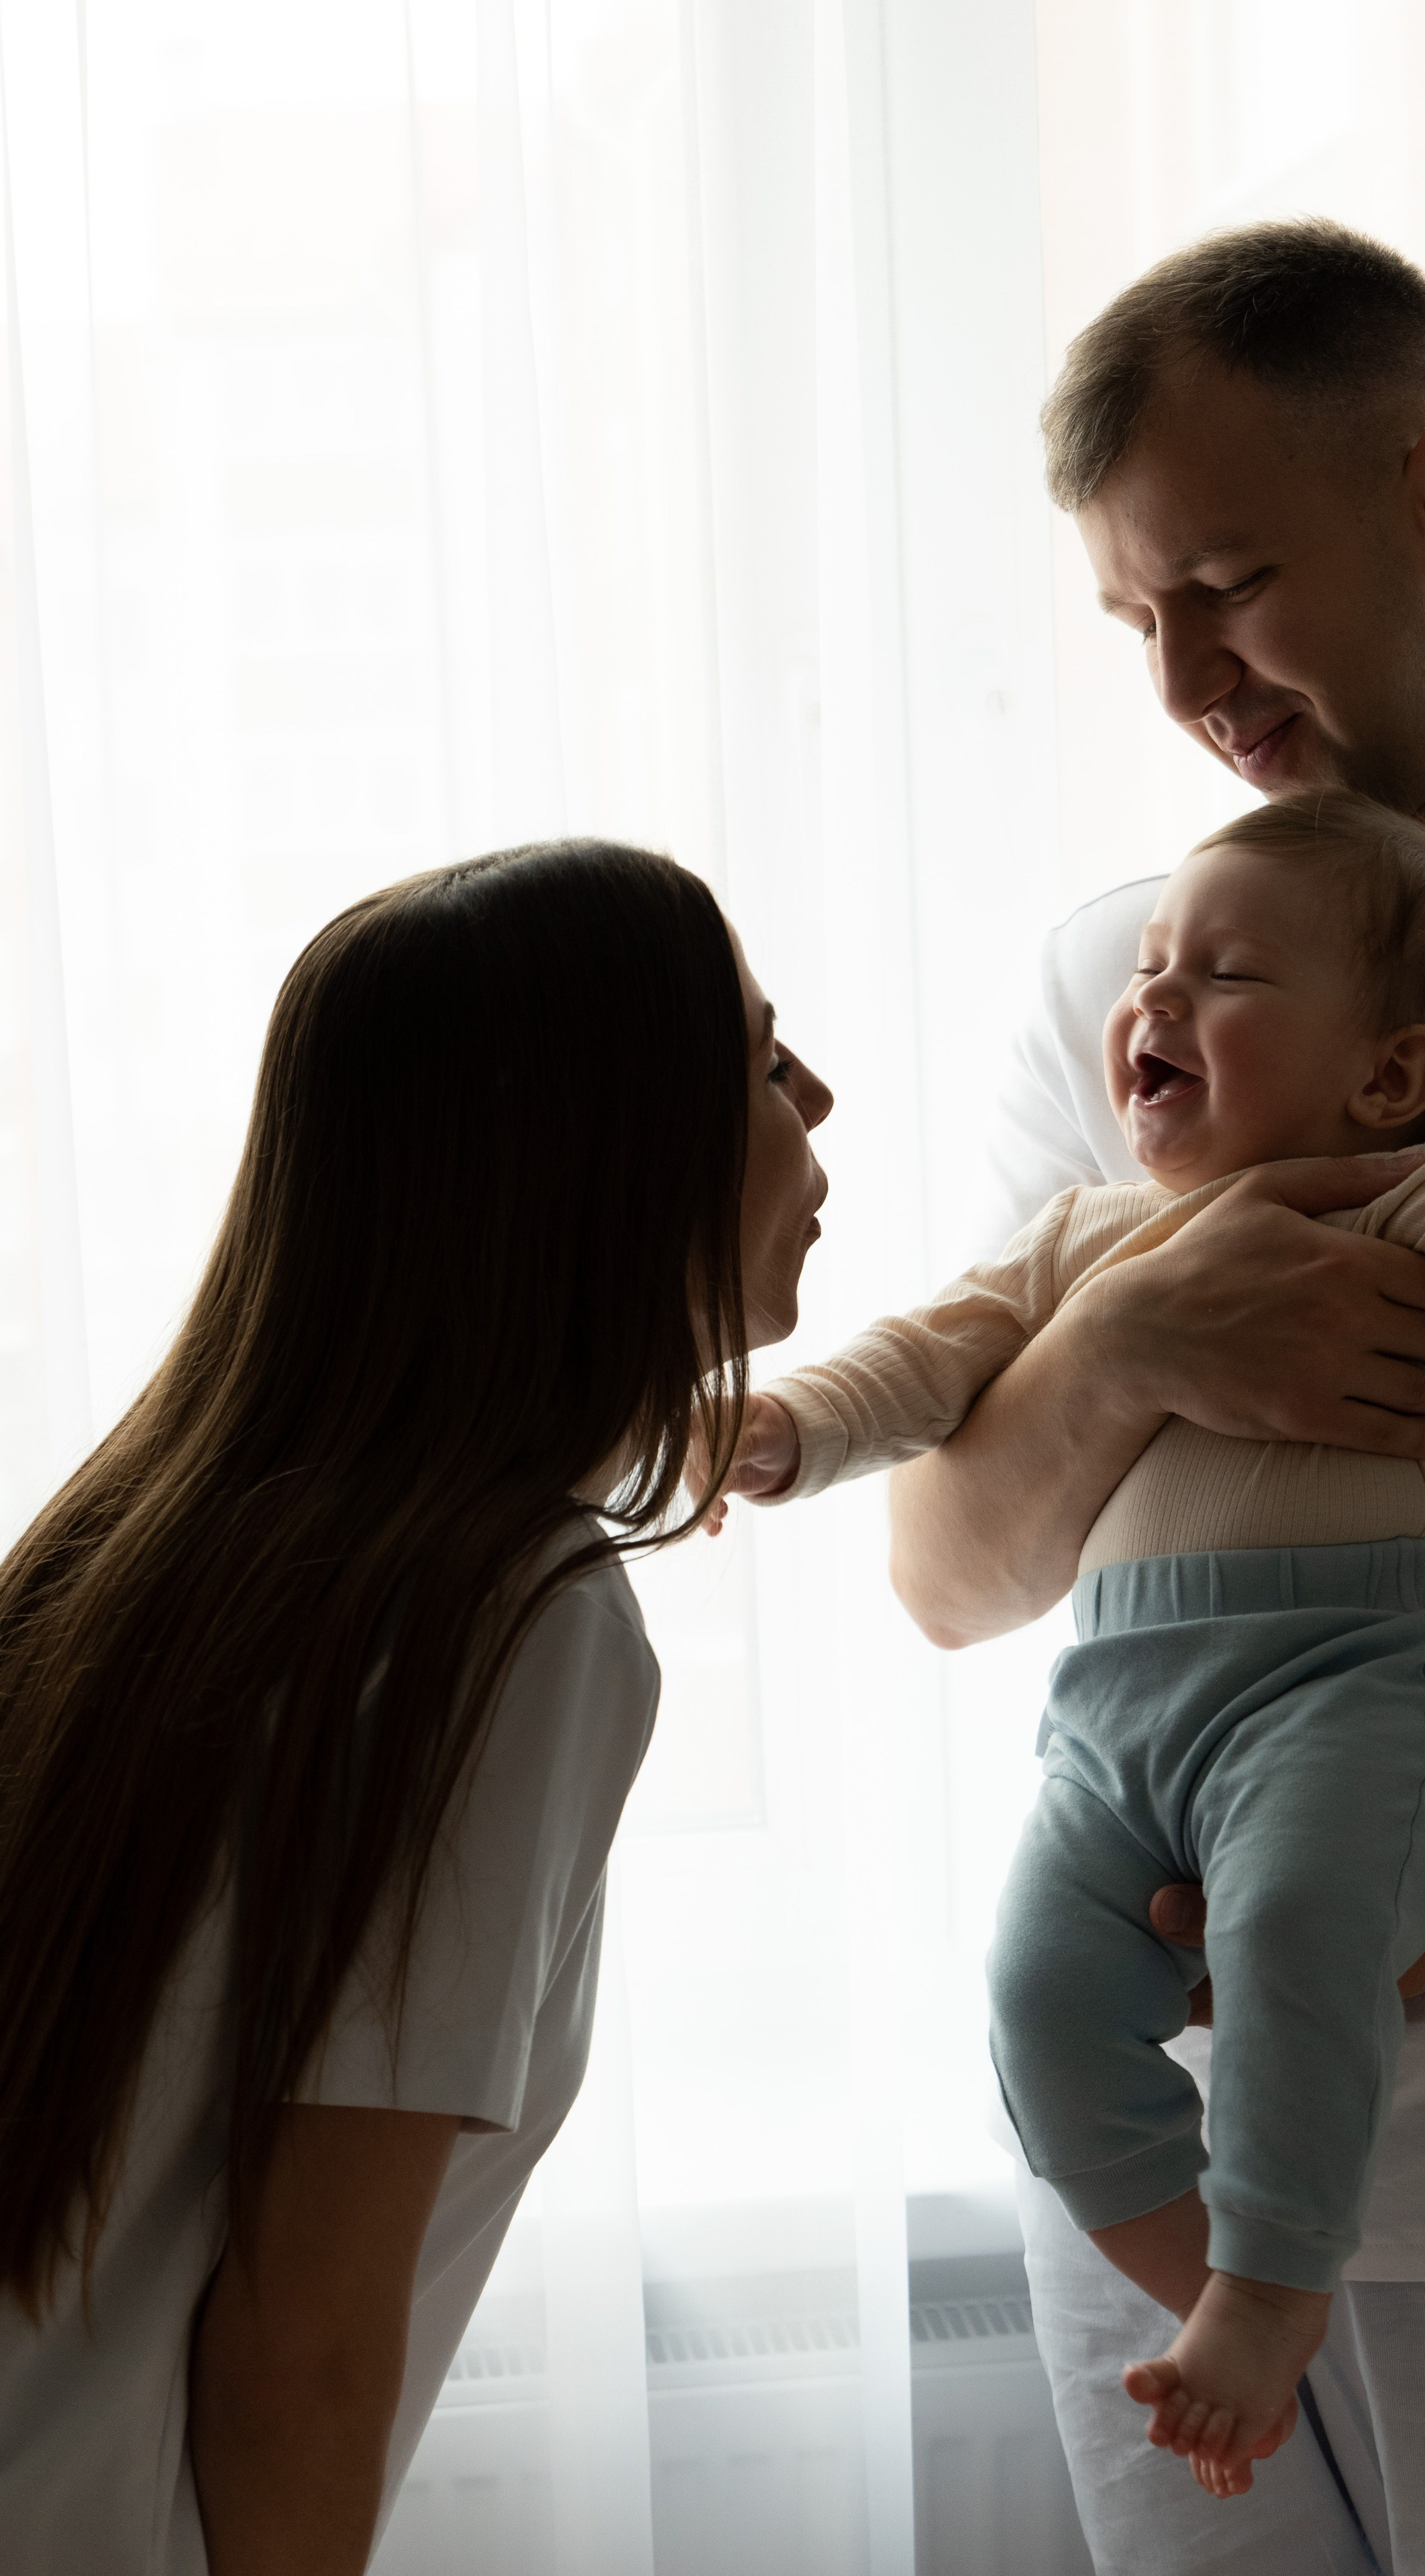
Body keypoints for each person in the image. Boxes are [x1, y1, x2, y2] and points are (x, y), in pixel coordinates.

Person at [887, 220, 1425, 2571]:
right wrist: (1134, 1337)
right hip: (1152, 2166)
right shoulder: (1126, 987)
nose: (1181, 678)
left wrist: (1358, 1942)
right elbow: (948, 1576)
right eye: (1134, 618)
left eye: (1228, 587)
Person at [723, 793, 1425, 2496]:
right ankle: (1216, 2293)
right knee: (1032, 2001)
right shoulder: (1085, 1238)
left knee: (1303, 1931)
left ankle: (1271, 2282)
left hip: (1338, 1690)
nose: (1149, 1001)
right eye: (1147, 966)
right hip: (1108, 1721)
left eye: (1219, 976)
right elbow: (927, 1370)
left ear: (1383, 1075)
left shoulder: (1399, 1187)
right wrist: (782, 1433)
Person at [0, 840, 831, 2574]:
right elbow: (301, 2355)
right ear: (603, 1159)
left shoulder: (133, 1545)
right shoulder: (516, 1618)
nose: (820, 1096)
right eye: (759, 1062)